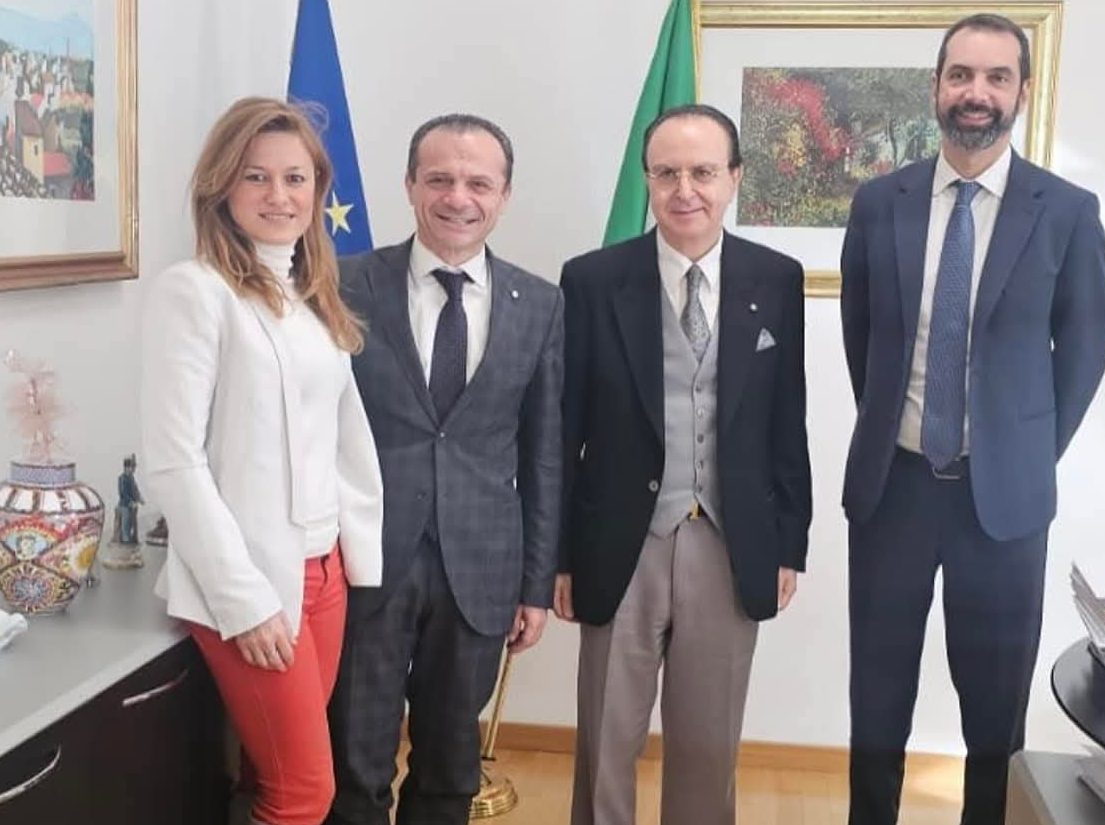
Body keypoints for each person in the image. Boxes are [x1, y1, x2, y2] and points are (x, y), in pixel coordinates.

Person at [840, 14, 1105, 825]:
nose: (975, 92)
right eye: (960, 74)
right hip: (892, 489)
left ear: (1021, 91)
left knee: (993, 718)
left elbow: (1084, 349)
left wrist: (1020, 451)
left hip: (1003, 508)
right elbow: (862, 338)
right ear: (935, 87)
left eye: (996, 77)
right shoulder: (878, 203)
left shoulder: (1065, 211)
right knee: (875, 707)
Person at [557, 103, 812, 825]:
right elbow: (563, 428)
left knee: (708, 745)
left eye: (702, 171)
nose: (684, 190)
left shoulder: (775, 277)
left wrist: (788, 542)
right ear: (647, 179)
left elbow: (785, 419)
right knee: (607, 740)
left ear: (734, 178)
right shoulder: (592, 279)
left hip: (730, 541)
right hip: (619, 540)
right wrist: (558, 556)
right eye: (666, 173)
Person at [140, 97, 384, 825]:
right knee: (304, 792)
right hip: (250, 580)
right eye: (256, 176)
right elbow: (174, 463)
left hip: (324, 573)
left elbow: (341, 442)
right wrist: (243, 599)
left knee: (267, 773)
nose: (279, 195)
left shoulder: (312, 298)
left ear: (317, 189)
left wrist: (351, 557)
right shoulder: (194, 292)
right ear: (222, 186)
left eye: (295, 178)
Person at [327, 114, 563, 825]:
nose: (458, 197)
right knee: (354, 764)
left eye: (478, 183)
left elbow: (543, 453)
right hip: (366, 560)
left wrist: (536, 585)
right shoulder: (342, 284)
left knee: (449, 769)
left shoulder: (539, 303)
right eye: (439, 179)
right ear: (409, 185)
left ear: (504, 195)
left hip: (481, 569)